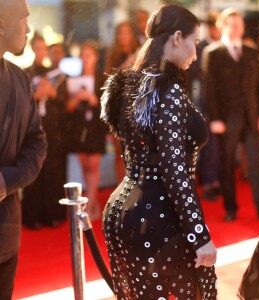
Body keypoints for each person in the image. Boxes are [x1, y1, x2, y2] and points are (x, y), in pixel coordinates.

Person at [101, 4, 217, 299]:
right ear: (177, 38)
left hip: (123, 212)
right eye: (194, 42)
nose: (195, 52)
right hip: (158, 221)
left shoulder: (131, 84)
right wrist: (199, 235)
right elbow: (174, 170)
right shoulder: (168, 90)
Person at [0, 0, 47, 298]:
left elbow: (37, 143)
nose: (29, 28)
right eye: (23, 20)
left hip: (4, 229)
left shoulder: (20, 80)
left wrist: (8, 180)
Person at [202, 8, 259, 222]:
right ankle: (230, 208)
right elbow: (209, 89)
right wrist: (214, 118)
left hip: (252, 118)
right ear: (222, 26)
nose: (237, 28)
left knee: (256, 166)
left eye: (239, 24)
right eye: (232, 24)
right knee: (227, 165)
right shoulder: (212, 53)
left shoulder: (252, 52)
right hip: (226, 120)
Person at [22, 36, 67, 229]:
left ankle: (53, 213)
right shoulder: (24, 73)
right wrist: (37, 95)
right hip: (32, 127)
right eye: (37, 48)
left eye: (43, 48)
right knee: (34, 169)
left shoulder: (55, 72)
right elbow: (20, 102)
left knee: (53, 169)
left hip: (52, 127)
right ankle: (33, 216)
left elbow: (64, 101)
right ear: (32, 49)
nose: (41, 52)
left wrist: (52, 92)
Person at [65, 42, 106, 221]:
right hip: (78, 126)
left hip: (95, 126)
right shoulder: (74, 78)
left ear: (95, 58)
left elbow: (107, 105)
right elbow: (67, 107)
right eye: (83, 55)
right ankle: (93, 200)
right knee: (84, 164)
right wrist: (76, 99)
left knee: (93, 165)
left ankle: (88, 206)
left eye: (89, 55)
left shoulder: (102, 78)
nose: (86, 58)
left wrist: (92, 99)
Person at [186, 11, 222, 201]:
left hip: (222, 102)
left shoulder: (225, 47)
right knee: (208, 142)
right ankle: (208, 182)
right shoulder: (201, 47)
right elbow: (194, 73)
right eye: (214, 24)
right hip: (203, 101)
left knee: (218, 144)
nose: (217, 28)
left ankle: (215, 179)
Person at [105, 21, 140, 183]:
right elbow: (109, 80)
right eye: (121, 32)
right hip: (118, 107)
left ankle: (139, 187)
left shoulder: (141, 51)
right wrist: (128, 63)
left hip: (137, 106)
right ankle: (122, 187)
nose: (123, 36)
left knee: (138, 150)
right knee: (121, 151)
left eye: (127, 32)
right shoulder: (112, 54)